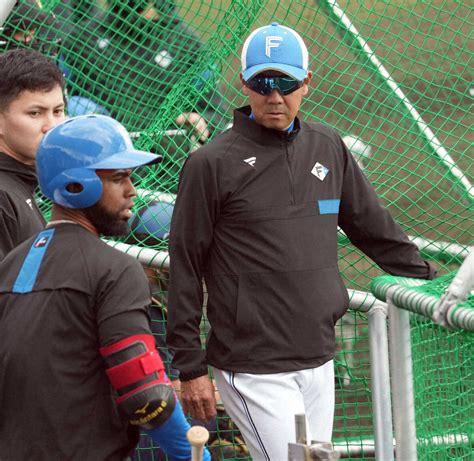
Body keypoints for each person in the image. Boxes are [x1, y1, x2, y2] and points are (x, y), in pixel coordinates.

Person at [166, 22, 436, 460]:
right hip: (254, 367)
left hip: (318, 358)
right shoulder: (210, 164)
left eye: (286, 83)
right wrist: (190, 366)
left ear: (307, 83)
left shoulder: (328, 146)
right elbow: (185, 264)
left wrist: (431, 281)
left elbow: (372, 228)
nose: (275, 96)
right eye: (263, 83)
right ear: (244, 83)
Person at [0, 114, 210, 461]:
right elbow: (144, 391)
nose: (132, 191)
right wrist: (191, 453)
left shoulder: (10, 265)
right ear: (76, 186)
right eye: (118, 178)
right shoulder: (114, 268)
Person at [61, 0, 228, 139]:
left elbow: (217, 115)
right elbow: (61, 103)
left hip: (168, 164)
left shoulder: (187, 44)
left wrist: (198, 119)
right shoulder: (82, 39)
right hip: (105, 164)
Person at [0, 47, 66, 261]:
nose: (51, 126)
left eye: (58, 111)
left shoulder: (19, 183)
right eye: (35, 113)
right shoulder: (3, 196)